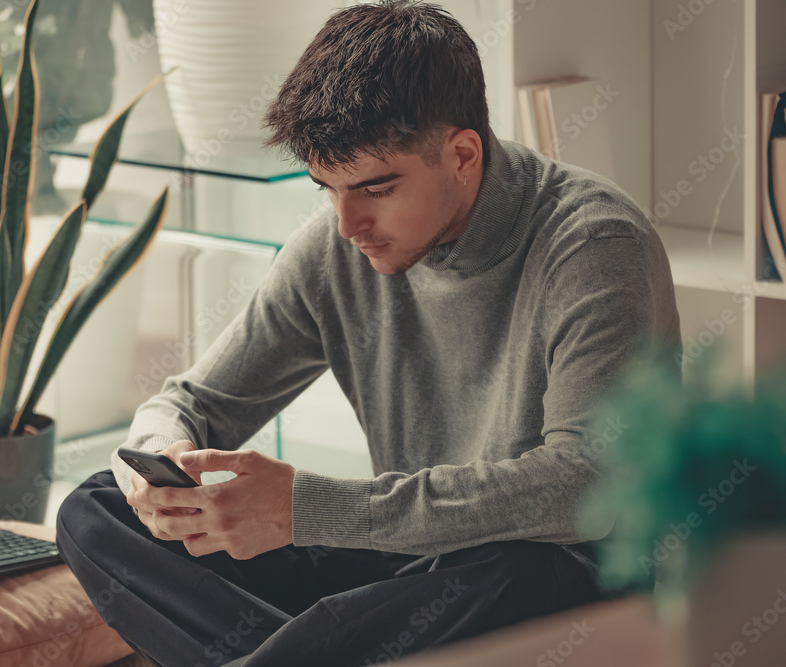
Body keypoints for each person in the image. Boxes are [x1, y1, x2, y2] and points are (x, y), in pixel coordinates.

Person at [56, 2, 681, 665]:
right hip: (404, 565)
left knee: (525, 566)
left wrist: (307, 508)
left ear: (463, 154)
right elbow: (189, 401)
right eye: (326, 188)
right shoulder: (337, 246)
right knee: (95, 509)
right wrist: (164, 465)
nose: (347, 223)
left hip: (549, 578)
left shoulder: (593, 244)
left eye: (374, 189)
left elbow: (586, 489)